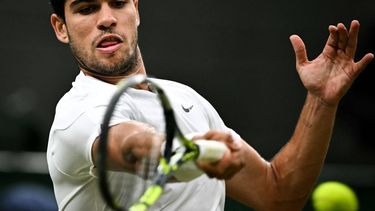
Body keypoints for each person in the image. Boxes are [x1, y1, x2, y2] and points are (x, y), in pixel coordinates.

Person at [46, 0, 373, 210]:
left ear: (136, 9)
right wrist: (194, 153)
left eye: (118, 3)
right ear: (61, 27)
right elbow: (134, 146)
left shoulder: (186, 100)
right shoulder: (78, 114)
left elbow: (279, 194)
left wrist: (321, 101)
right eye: (87, 8)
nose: (106, 19)